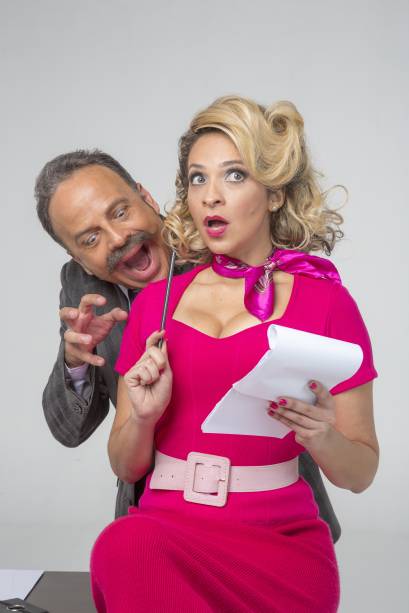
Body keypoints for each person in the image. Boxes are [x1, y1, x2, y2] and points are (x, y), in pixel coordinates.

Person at [90, 96, 379, 612]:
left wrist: (323, 436)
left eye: (235, 175)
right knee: (122, 544)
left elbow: (360, 473)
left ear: (274, 194)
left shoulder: (328, 303)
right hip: (166, 533)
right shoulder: (155, 305)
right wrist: (144, 418)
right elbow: (125, 465)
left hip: (281, 547)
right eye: (198, 179)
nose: (211, 196)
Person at [35, 149, 341, 533]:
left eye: (120, 212)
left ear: (146, 197)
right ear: (77, 258)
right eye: (91, 238)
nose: (117, 238)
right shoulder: (82, 287)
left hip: (268, 508)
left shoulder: (223, 236)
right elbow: (69, 432)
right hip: (155, 515)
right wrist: (77, 361)